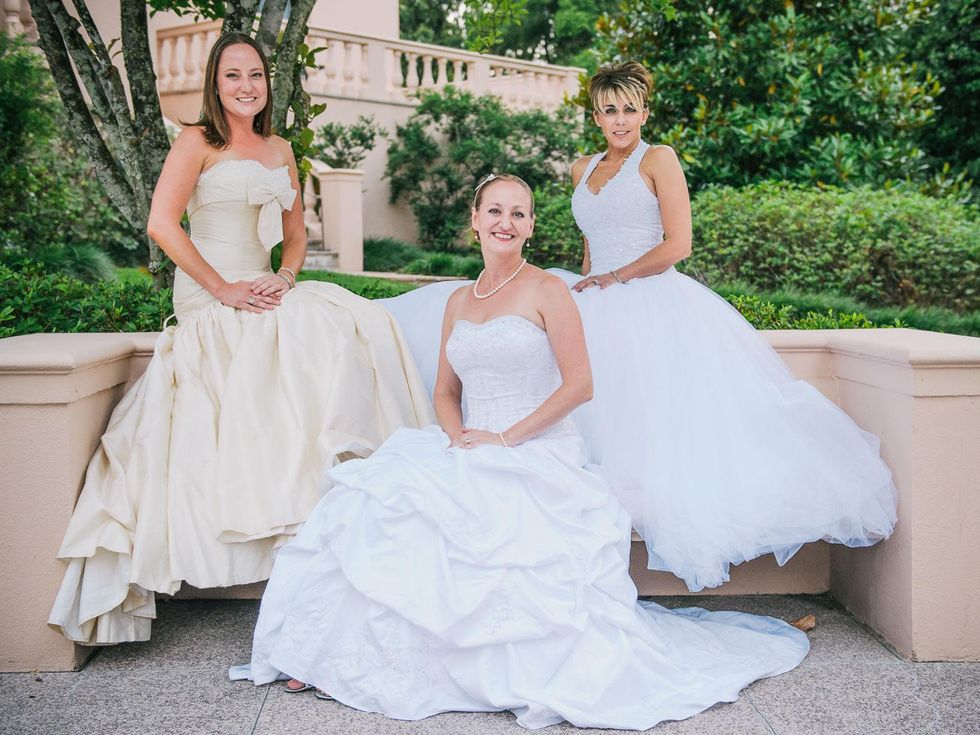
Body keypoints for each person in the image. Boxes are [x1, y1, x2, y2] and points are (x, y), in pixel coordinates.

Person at [233, 174, 809, 730]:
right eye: (494, 212)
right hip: (469, 443)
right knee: (371, 507)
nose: (505, 222)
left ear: (531, 226)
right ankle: (335, 655)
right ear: (474, 223)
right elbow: (445, 391)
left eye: (518, 213)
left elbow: (579, 385)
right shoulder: (459, 300)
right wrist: (458, 437)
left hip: (535, 449)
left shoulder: (548, 290)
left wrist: (507, 440)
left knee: (498, 536)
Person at [381, 61, 897, 593]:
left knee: (648, 419)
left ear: (644, 112)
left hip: (650, 297)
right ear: (596, 116)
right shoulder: (581, 168)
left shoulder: (659, 159)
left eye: (630, 109)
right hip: (593, 295)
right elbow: (589, 243)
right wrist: (587, 282)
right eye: (609, 110)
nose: (620, 119)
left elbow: (678, 245)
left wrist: (615, 277)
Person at [48, 34, 433, 646]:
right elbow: (161, 225)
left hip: (260, 280)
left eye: (255, 74)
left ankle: (339, 515)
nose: (247, 85)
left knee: (353, 321)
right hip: (210, 288)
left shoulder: (280, 148)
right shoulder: (197, 141)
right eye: (234, 76)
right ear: (216, 82)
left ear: (266, 83)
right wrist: (223, 288)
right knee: (296, 337)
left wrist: (282, 278)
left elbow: (296, 236)